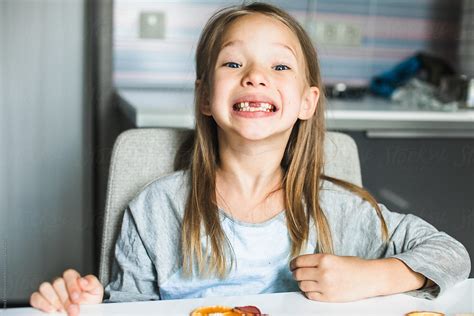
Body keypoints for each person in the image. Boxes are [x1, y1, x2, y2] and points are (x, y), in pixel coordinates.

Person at [30, 2, 471, 315]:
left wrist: (375, 277)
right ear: (205, 96)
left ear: (307, 102)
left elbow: (452, 254)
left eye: (280, 67)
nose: (256, 77)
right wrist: (87, 308)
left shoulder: (339, 211)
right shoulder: (153, 211)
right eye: (233, 64)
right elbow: (128, 309)